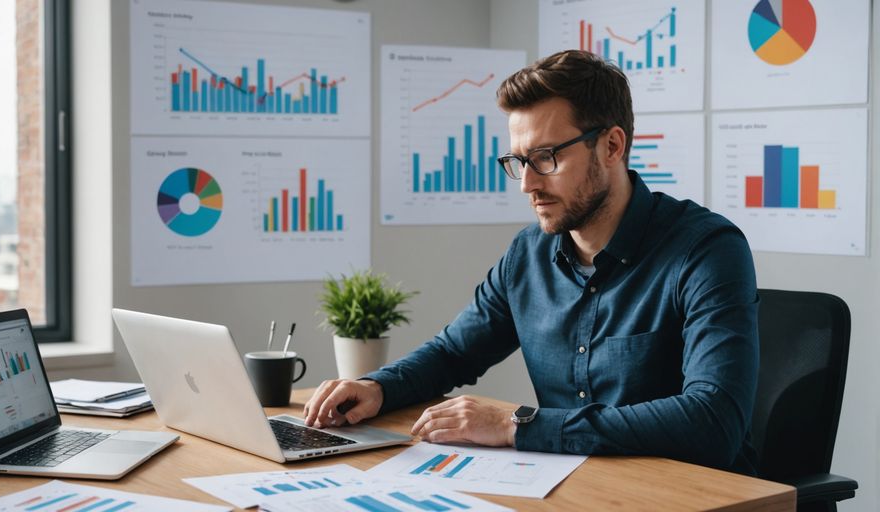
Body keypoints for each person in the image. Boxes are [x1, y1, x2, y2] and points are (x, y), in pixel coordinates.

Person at [304, 50, 759, 474]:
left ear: (612, 147)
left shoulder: (706, 249)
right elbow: (454, 353)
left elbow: (713, 419)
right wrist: (377, 387)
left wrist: (516, 425)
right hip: (570, 485)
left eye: (545, 158)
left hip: (691, 492)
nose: (527, 185)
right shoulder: (529, 255)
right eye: (519, 161)